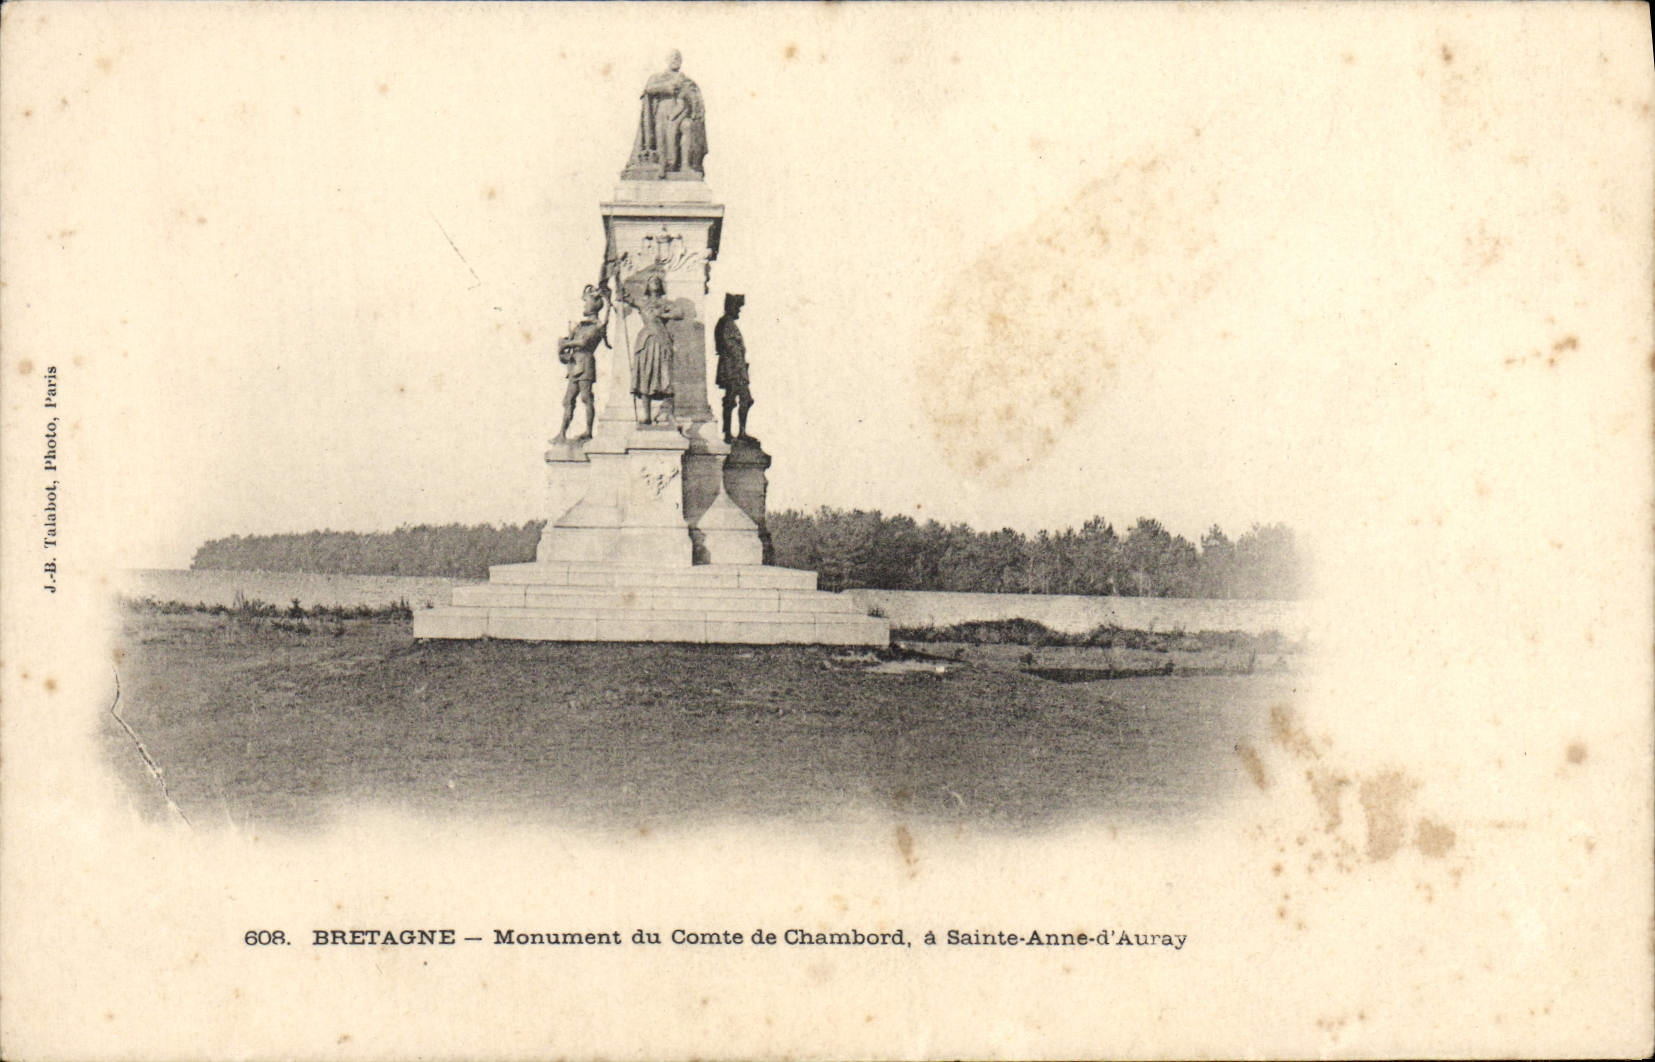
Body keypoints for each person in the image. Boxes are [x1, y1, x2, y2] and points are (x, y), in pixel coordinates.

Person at [620, 273, 682, 425]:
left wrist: (662, 313)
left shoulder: (665, 302)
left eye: (657, 281)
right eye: (651, 281)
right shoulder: (642, 302)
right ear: (647, 286)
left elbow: (680, 313)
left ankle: (669, 413)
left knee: (666, 377)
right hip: (646, 341)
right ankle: (646, 415)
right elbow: (626, 298)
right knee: (645, 376)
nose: (654, 282)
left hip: (662, 341)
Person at [552, 285, 606, 442]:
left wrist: (566, 345)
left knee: (585, 397)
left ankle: (588, 431)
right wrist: (563, 346)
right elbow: (572, 342)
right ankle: (562, 433)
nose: (584, 305)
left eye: (586, 302)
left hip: (586, 363)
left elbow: (583, 342)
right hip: (575, 364)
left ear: (594, 305)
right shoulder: (580, 325)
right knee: (568, 400)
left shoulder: (597, 325)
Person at [715, 293, 754, 442]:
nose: (739, 310)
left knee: (737, 399)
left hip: (735, 367)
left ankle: (732, 432)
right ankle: (733, 433)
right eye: (737, 307)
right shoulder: (726, 323)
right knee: (739, 399)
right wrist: (740, 368)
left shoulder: (727, 322)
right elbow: (731, 347)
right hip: (733, 368)